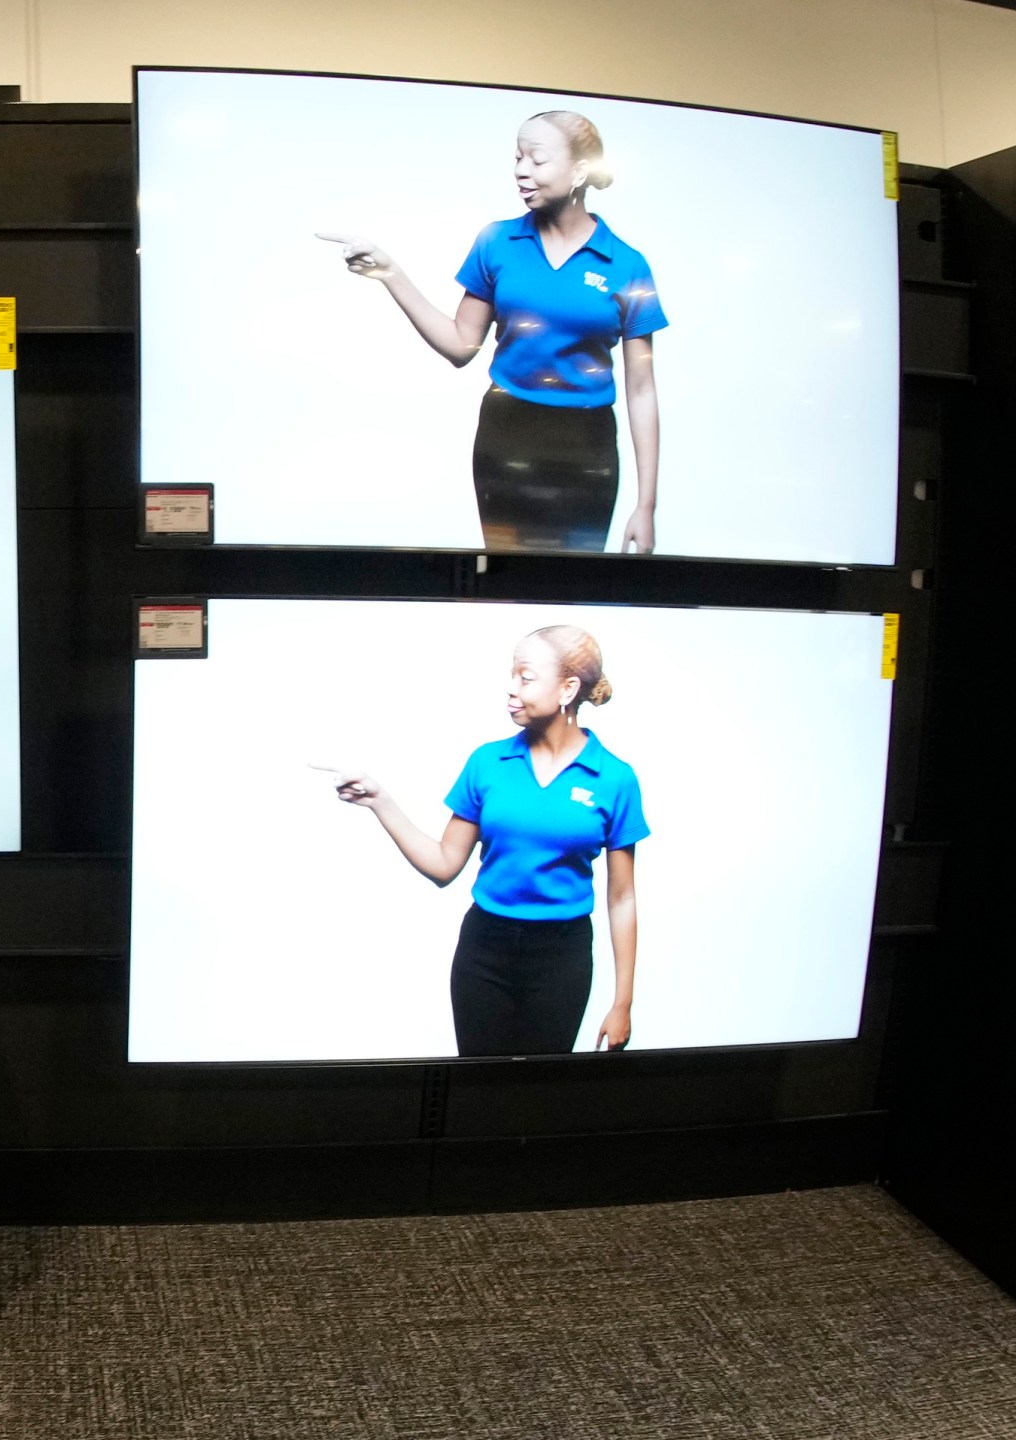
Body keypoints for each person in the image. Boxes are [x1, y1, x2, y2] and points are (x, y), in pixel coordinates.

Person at [318, 111, 667, 553]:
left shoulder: (627, 265)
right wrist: (391, 273)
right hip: (506, 435)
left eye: (537, 159)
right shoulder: (496, 243)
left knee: (577, 583)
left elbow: (641, 390)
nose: (521, 170)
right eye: (518, 157)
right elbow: (461, 345)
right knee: (508, 581)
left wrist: (646, 506)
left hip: (587, 446)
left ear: (580, 171)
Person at [315, 626, 646, 1056]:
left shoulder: (615, 778)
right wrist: (380, 801)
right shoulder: (487, 762)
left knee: (538, 1091)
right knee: (478, 1087)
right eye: (512, 674)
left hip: (561, 957)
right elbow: (444, 865)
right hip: (485, 950)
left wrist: (623, 1002)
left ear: (568, 688)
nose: (511, 689)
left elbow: (622, 900)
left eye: (525, 677)